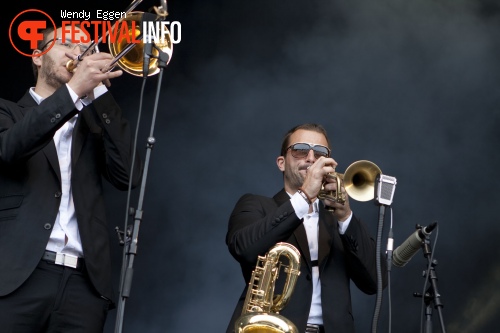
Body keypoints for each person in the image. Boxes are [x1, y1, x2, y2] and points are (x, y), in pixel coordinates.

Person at [0, 24, 142, 332]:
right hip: (16, 276)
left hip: (84, 285)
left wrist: (98, 90)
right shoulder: (7, 112)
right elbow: (10, 149)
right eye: (67, 44)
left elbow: (128, 176)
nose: (78, 54)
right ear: (38, 57)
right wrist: (74, 91)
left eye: (85, 49)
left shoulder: (95, 125)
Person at [226, 123, 388, 333]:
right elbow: (243, 248)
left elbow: (375, 282)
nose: (311, 158)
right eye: (301, 150)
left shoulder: (338, 220)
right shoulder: (256, 204)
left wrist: (346, 217)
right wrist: (304, 197)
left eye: (320, 153)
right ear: (281, 163)